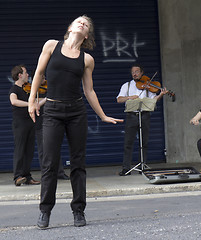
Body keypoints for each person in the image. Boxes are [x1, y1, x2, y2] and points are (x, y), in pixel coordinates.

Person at [28, 15, 123, 229]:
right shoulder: (51, 46)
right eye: (78, 21)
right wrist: (32, 101)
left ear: (86, 34)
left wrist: (102, 115)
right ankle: (45, 211)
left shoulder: (87, 59)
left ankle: (78, 210)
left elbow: (89, 91)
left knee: (78, 163)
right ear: (70, 27)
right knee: (49, 163)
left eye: (86, 23)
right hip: (52, 110)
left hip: (76, 112)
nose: (82, 23)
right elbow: (38, 73)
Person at [117, 64, 168, 176]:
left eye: (137, 71)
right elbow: (119, 99)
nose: (135, 74)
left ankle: (143, 165)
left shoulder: (148, 85)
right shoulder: (127, 85)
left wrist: (161, 94)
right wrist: (129, 97)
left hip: (144, 115)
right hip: (131, 116)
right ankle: (126, 168)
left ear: (141, 73)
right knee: (128, 142)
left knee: (144, 142)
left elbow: (153, 100)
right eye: (133, 72)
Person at [31, 70, 69, 180]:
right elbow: (34, 104)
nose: (44, 79)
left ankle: (60, 172)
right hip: (39, 122)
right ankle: (46, 174)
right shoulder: (32, 91)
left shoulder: (49, 88)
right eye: (42, 78)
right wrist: (47, 99)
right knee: (43, 151)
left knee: (56, 148)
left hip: (52, 120)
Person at [9, 64, 43, 186]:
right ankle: (17, 176)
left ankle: (27, 176)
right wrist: (29, 104)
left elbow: (36, 103)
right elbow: (14, 101)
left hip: (30, 122)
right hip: (20, 124)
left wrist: (49, 98)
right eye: (25, 73)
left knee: (29, 150)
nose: (27, 75)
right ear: (19, 75)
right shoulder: (14, 89)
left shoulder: (27, 89)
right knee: (20, 149)